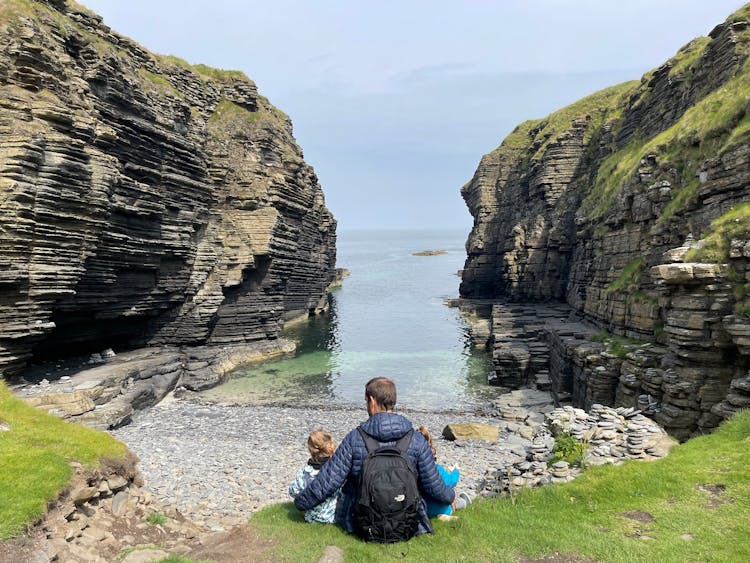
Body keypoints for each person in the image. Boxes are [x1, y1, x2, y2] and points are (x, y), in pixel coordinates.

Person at [293, 377, 455, 537]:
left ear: (372, 400)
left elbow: (328, 481)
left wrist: (301, 503)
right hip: (406, 520)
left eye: (365, 401)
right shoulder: (416, 440)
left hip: (362, 522)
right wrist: (450, 497)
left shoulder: (355, 439)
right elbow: (435, 486)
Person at [417, 425, 472, 520]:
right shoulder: (436, 469)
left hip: (421, 508)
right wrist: (456, 471)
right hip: (440, 507)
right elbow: (450, 482)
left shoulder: (412, 468)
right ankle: (450, 510)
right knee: (457, 500)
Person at [288, 430, 340, 523]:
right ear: (330, 446)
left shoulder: (305, 471)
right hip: (333, 515)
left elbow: (293, 491)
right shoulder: (336, 470)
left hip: (311, 516)